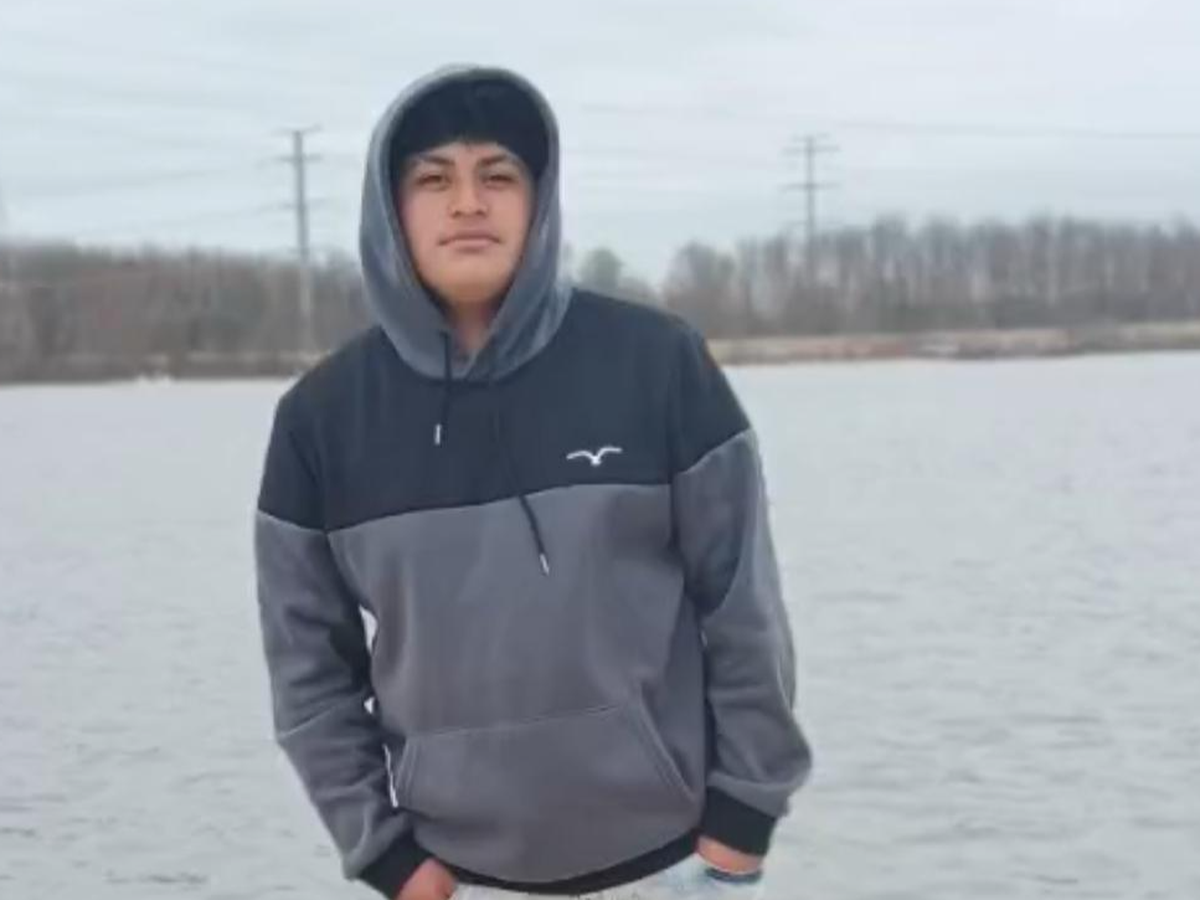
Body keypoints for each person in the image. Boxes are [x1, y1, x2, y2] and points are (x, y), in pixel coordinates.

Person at [254, 64, 812, 900]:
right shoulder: (321, 418)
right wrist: (386, 858)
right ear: (391, 208)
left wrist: (741, 828)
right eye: (434, 179)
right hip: (454, 881)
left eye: (498, 176)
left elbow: (744, 611)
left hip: (673, 867)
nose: (468, 203)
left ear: (539, 199)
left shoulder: (656, 364)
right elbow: (308, 674)